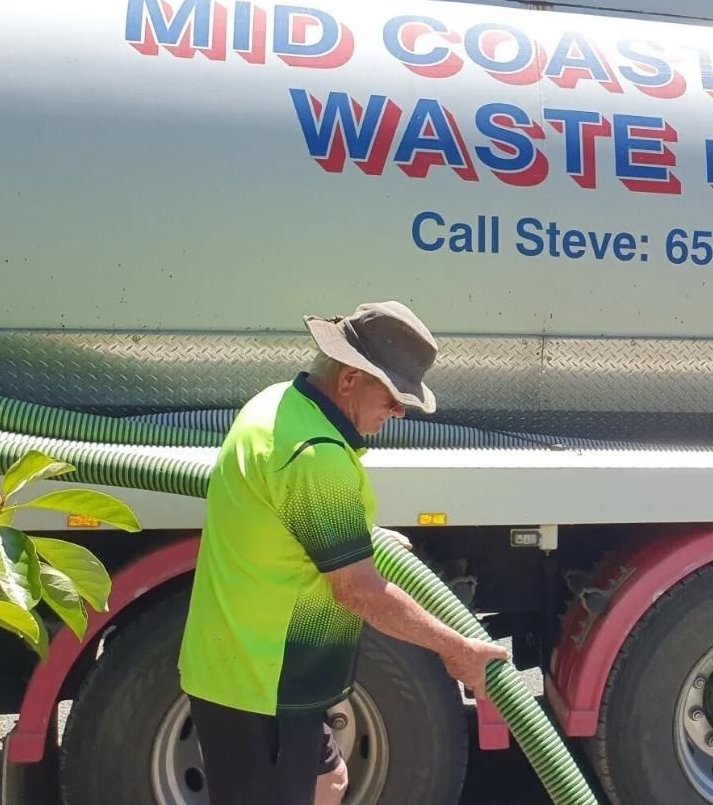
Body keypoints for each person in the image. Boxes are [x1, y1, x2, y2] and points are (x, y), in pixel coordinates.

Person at [178, 301, 509, 805]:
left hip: (247, 668)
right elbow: (358, 591)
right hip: (263, 686)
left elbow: (287, 516)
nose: (399, 412)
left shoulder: (276, 404)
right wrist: (455, 649)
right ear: (351, 378)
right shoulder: (315, 456)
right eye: (393, 395)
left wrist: (360, 535)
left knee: (329, 783)